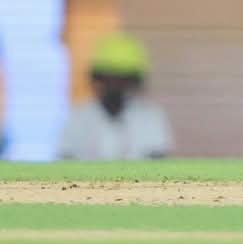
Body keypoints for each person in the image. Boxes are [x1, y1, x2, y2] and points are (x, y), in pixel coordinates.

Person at [57, 32, 173, 161]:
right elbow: (65, 160)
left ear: (134, 82)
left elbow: (159, 161)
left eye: (122, 80)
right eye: (110, 79)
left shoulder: (151, 117)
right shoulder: (78, 117)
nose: (115, 87)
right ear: (98, 79)